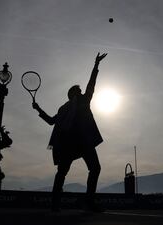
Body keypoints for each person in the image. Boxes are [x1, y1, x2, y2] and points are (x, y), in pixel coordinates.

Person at [32, 52, 107, 212]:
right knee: (94, 169)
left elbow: (51, 121)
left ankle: (55, 203)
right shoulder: (82, 101)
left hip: (67, 144)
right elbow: (91, 85)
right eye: (78, 91)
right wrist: (96, 65)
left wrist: (38, 109)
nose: (81, 92)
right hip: (82, 142)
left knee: (62, 173)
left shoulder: (64, 108)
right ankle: (89, 202)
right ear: (75, 94)